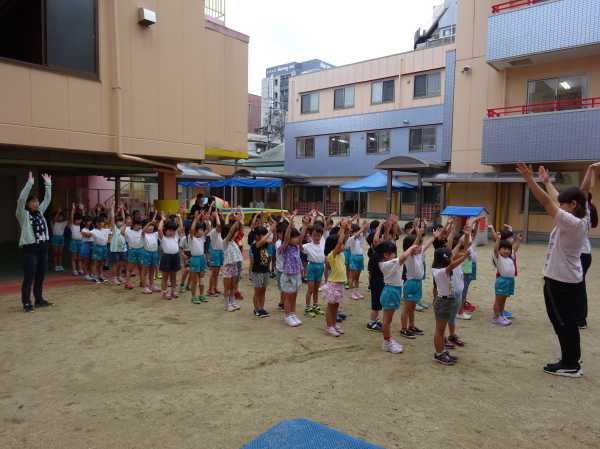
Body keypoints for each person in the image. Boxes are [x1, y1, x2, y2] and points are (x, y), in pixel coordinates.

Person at [517, 162, 589, 378]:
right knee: (567, 321)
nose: (560, 206)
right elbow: (556, 199)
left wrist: (530, 180)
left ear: (573, 204)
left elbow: (548, 202)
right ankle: (571, 359)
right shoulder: (581, 217)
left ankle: (570, 364)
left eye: (564, 204)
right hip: (568, 279)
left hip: (560, 281)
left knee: (562, 322)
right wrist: (547, 182)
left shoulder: (572, 223)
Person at [16, 171, 54, 312]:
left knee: (40, 275)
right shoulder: (23, 215)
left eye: (37, 201)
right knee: (29, 276)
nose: (36, 203)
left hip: (43, 248)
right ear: (27, 204)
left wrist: (48, 185)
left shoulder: (40, 212)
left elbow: (47, 199)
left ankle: (39, 299)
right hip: (30, 249)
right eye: (33, 201)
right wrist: (29, 184)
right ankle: (26, 302)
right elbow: (21, 200)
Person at [379, 239, 420, 353]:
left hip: (394, 291)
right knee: (387, 320)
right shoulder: (386, 264)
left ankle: (388, 340)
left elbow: (404, 257)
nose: (395, 255)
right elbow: (403, 257)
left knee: (388, 320)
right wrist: (412, 247)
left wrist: (413, 246)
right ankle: (387, 342)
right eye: (393, 253)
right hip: (390, 292)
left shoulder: (389, 262)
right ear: (386, 255)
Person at [431, 247, 470, 365]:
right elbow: (452, 265)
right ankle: (439, 354)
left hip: (447, 301)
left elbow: (451, 263)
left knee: (441, 330)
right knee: (439, 330)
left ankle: (442, 351)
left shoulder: (439, 268)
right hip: (443, 302)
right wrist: (464, 257)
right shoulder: (441, 271)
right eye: (450, 257)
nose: (452, 258)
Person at [400, 220, 433, 339]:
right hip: (410, 284)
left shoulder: (419, 254)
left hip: (418, 283)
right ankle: (403, 329)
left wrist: (434, 236)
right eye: (417, 245)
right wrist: (418, 235)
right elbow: (414, 246)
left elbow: (427, 244)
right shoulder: (408, 256)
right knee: (406, 308)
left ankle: (412, 326)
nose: (420, 247)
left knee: (412, 308)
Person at [322, 220, 349, 336]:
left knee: (336, 306)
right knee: (330, 306)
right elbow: (340, 242)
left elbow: (343, 239)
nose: (343, 245)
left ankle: (334, 324)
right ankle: (329, 326)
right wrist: (342, 228)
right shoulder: (331, 255)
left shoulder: (341, 254)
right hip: (333, 284)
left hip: (340, 284)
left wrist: (346, 230)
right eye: (341, 244)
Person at [489, 228, 520, 326]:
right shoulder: (498, 258)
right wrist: (498, 239)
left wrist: (518, 240)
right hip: (502, 281)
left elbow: (514, 249)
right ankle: (496, 317)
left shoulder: (510, 257)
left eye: (508, 249)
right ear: (499, 250)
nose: (507, 251)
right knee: (499, 301)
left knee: (503, 300)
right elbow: (495, 249)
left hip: (510, 281)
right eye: (504, 249)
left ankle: (501, 315)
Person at [279, 213, 304, 327]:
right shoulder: (284, 247)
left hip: (296, 274)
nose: (297, 239)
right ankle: (287, 316)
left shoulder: (296, 247)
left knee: (294, 295)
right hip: (288, 275)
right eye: (295, 237)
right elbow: (286, 238)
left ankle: (293, 314)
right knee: (288, 296)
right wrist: (290, 224)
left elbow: (298, 260)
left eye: (297, 237)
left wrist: (305, 225)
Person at [157, 210, 185, 300]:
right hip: (166, 258)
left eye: (173, 230)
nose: (171, 232)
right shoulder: (163, 238)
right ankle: (164, 293)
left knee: (173, 276)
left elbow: (181, 228)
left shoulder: (176, 237)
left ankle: (173, 291)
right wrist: (162, 220)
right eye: (169, 230)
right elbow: (159, 229)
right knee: (165, 277)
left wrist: (179, 217)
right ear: (165, 230)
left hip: (175, 257)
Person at [303, 220, 326, 317]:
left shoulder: (323, 242)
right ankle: (307, 308)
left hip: (321, 267)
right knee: (310, 289)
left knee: (316, 289)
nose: (317, 237)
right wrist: (305, 226)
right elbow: (299, 245)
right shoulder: (307, 246)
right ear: (311, 236)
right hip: (312, 267)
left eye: (318, 235)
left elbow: (324, 228)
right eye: (314, 235)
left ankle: (315, 306)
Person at [250, 223, 274, 317]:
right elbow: (262, 241)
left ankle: (261, 308)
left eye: (264, 234)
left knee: (263, 291)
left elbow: (273, 240)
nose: (264, 237)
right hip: (257, 271)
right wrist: (270, 231)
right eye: (262, 235)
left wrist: (273, 231)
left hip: (265, 271)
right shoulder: (254, 245)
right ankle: (257, 309)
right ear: (257, 236)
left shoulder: (266, 244)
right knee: (257, 291)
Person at [222, 213, 243, 311]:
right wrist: (237, 221)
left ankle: (232, 302)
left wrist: (238, 222)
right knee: (227, 287)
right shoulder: (225, 242)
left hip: (234, 266)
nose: (235, 233)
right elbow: (230, 232)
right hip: (227, 268)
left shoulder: (233, 242)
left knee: (233, 286)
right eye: (233, 232)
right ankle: (227, 305)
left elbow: (234, 231)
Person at [188, 211, 210, 304]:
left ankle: (201, 295)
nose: (201, 231)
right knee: (194, 280)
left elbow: (208, 229)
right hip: (194, 259)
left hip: (202, 258)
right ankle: (193, 297)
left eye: (201, 229)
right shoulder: (191, 238)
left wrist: (205, 219)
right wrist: (196, 219)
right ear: (196, 231)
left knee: (201, 278)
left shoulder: (202, 238)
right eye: (200, 230)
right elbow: (192, 229)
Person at [82, 215, 111, 283]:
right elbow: (86, 234)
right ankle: (94, 276)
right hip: (97, 248)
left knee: (101, 263)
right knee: (95, 263)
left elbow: (112, 226)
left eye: (102, 222)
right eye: (99, 222)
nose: (101, 223)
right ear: (95, 223)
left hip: (104, 247)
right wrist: (82, 232)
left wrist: (112, 213)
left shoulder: (106, 230)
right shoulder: (93, 231)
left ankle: (100, 276)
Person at [347, 219, 368, 300]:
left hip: (360, 258)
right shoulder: (351, 238)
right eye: (356, 231)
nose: (358, 233)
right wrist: (362, 228)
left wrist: (365, 225)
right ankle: (351, 292)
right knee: (352, 276)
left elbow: (364, 233)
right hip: (354, 258)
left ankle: (356, 291)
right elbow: (357, 234)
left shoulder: (359, 238)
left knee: (357, 277)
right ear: (352, 232)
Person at [141, 213, 161, 294]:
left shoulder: (155, 234)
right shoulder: (144, 234)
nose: (151, 227)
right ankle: (144, 287)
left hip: (154, 253)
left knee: (152, 270)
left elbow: (159, 229)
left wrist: (156, 222)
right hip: (146, 253)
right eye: (149, 226)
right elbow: (143, 230)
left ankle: (151, 285)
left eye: (152, 226)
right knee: (145, 270)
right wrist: (150, 223)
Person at [109, 204, 128, 285]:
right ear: (116, 222)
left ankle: (119, 276)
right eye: (118, 221)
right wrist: (112, 208)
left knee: (120, 264)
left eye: (121, 221)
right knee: (115, 264)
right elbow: (112, 217)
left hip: (122, 249)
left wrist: (122, 209)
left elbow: (124, 218)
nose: (120, 222)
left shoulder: (123, 228)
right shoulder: (114, 228)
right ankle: (114, 278)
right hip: (114, 249)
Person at [123, 218, 144, 290]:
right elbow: (122, 232)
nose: (139, 226)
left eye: (140, 225)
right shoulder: (128, 230)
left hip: (141, 250)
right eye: (138, 225)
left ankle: (142, 281)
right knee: (130, 268)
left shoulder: (142, 231)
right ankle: (127, 283)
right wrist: (125, 223)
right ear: (134, 225)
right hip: (132, 250)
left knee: (141, 267)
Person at [207, 211, 224, 297]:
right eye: (220, 226)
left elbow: (221, 224)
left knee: (217, 272)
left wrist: (220, 215)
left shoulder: (220, 232)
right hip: (215, 252)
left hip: (220, 252)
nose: (221, 227)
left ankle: (215, 287)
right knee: (214, 272)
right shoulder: (214, 231)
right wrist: (217, 215)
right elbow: (218, 224)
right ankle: (210, 289)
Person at [68, 203, 84, 276]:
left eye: (79, 219)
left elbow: (83, 217)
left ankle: (80, 269)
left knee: (80, 257)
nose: (79, 221)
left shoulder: (82, 225)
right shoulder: (72, 225)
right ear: (74, 220)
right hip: (73, 242)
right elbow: (71, 217)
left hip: (81, 242)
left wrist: (82, 210)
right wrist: (73, 210)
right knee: (74, 257)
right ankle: (74, 270)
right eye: (77, 220)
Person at [79, 215, 95, 280]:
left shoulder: (93, 229)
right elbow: (88, 235)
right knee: (86, 261)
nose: (89, 222)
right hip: (86, 245)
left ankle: (91, 273)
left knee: (92, 261)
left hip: (92, 245)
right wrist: (94, 232)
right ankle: (86, 274)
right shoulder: (83, 229)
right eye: (88, 221)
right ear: (84, 222)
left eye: (90, 221)